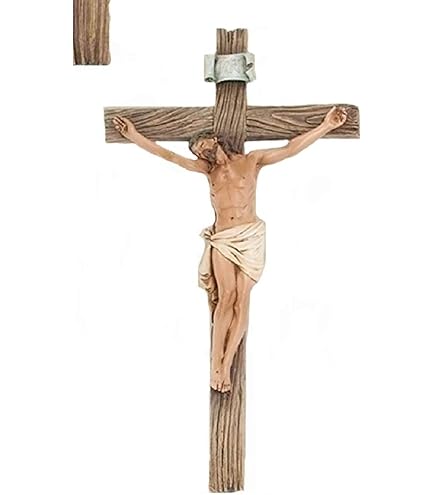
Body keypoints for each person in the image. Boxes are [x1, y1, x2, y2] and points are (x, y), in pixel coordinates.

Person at [113, 106, 347, 392]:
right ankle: (215, 365)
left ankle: (226, 365)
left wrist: (326, 125)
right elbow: (169, 156)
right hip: (224, 237)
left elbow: (290, 148)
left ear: (214, 140)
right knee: (226, 298)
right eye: (197, 152)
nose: (201, 153)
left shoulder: (252, 161)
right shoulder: (207, 170)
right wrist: (135, 136)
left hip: (250, 236)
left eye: (202, 146)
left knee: (242, 300)